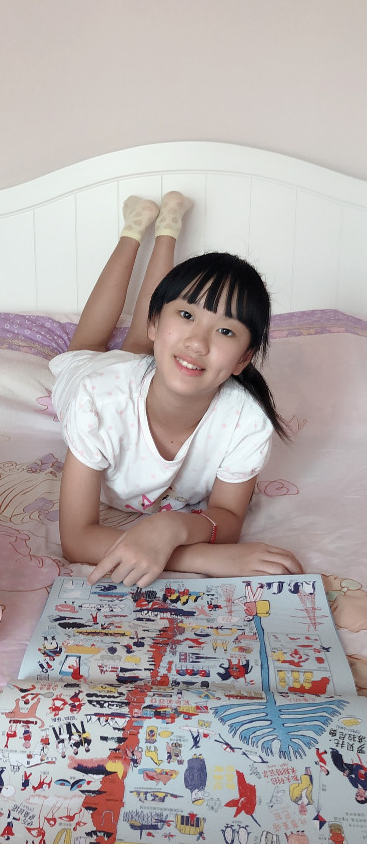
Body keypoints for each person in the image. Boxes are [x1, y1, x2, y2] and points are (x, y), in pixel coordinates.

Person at [50, 192, 303, 587]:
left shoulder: (247, 420)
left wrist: (171, 526)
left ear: (244, 358)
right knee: (89, 343)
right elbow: (77, 539)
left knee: (143, 350)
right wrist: (206, 557)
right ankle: (135, 230)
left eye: (225, 331)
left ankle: (166, 225)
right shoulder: (97, 399)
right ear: (156, 322)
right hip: (97, 374)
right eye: (186, 314)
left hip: (148, 370)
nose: (198, 342)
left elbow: (228, 517)